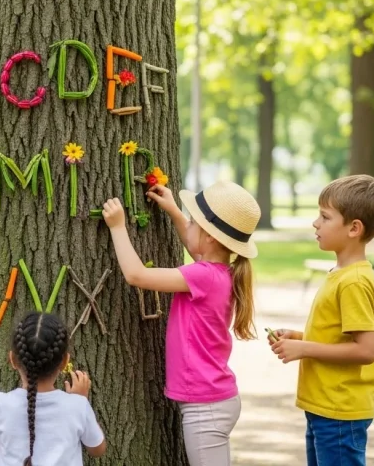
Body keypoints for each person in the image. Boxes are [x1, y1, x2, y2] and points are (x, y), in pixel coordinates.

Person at [102, 181, 260, 466]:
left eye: (195, 223)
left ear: (211, 236)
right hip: (214, 399)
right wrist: (174, 211)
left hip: (206, 407)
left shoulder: (202, 276)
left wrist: (117, 227)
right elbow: (194, 244)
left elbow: (136, 276)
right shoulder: (219, 270)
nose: (190, 226)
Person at [270, 174, 374, 466]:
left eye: (325, 217)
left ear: (353, 228)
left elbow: (365, 350)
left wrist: (305, 349)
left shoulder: (353, 282)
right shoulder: (341, 274)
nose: (316, 223)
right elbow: (339, 336)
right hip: (324, 405)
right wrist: (300, 337)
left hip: (340, 410)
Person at [0, 312, 106, 466]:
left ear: (13, 359)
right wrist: (81, 400)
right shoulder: (78, 406)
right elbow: (97, 450)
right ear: (64, 361)